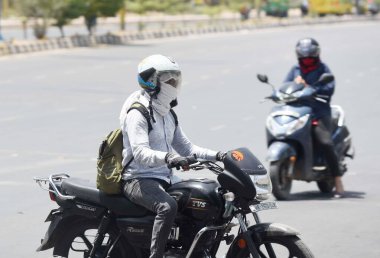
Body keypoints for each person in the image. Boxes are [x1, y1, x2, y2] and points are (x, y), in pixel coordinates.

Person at [119, 54, 225, 258]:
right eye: (169, 80)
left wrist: (220, 155)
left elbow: (187, 148)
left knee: (198, 199)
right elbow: (140, 153)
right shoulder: (138, 113)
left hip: (164, 178)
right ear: (151, 82)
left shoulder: (167, 113)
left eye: (176, 79)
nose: (174, 84)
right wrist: (169, 158)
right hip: (138, 179)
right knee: (168, 207)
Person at [284, 38, 345, 198]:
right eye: (304, 58)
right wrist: (288, 88)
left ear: (316, 55)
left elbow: (328, 88)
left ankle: (337, 179)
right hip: (299, 111)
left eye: (309, 57)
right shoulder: (295, 70)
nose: (306, 61)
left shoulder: (323, 70)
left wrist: (308, 87)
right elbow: (285, 87)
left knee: (325, 142)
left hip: (319, 112)